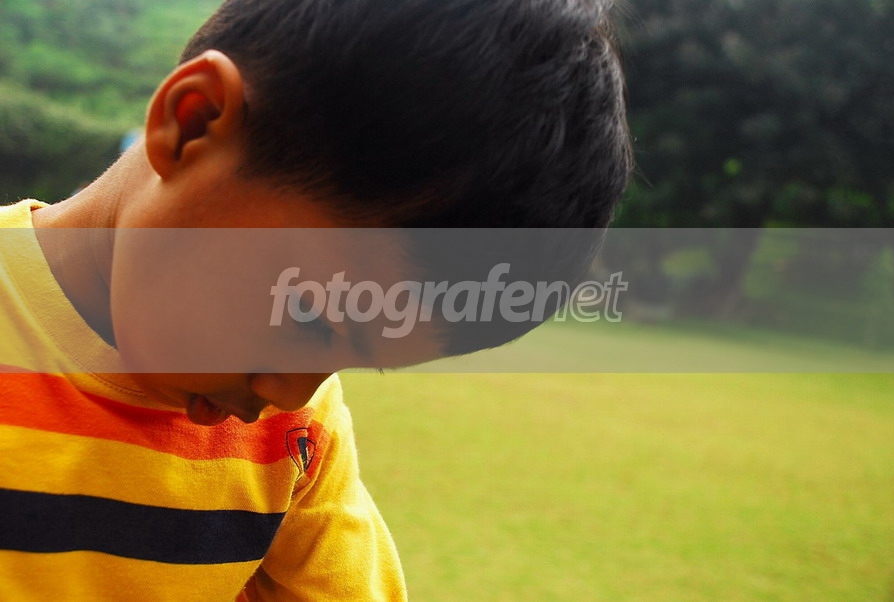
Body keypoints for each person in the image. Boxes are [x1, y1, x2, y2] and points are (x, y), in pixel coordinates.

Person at [0, 0, 631, 599]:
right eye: (309, 317)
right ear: (193, 123)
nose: (292, 395)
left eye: (348, 363)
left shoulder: (297, 439)